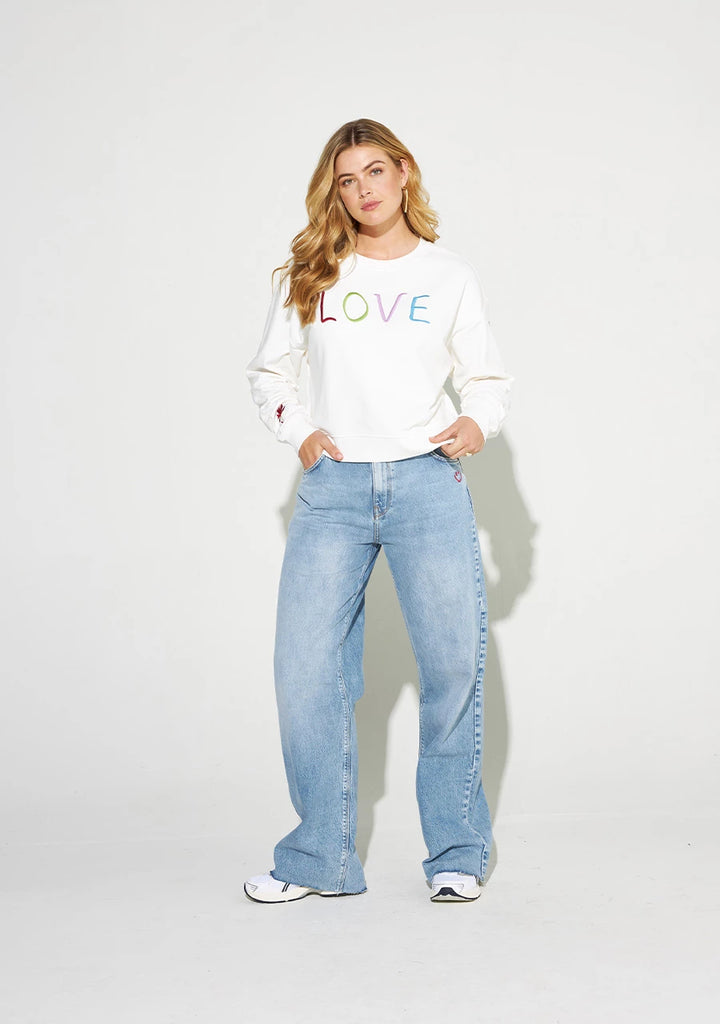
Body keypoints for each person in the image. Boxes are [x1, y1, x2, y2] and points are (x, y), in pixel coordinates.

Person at [244, 118, 513, 904]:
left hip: (427, 482)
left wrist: (476, 423)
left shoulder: (447, 276)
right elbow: (269, 373)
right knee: (305, 671)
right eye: (346, 179)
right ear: (335, 191)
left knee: (451, 667)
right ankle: (318, 860)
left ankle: (457, 853)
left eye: (374, 172)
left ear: (403, 173)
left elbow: (487, 379)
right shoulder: (314, 272)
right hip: (333, 488)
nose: (363, 190)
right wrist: (300, 432)